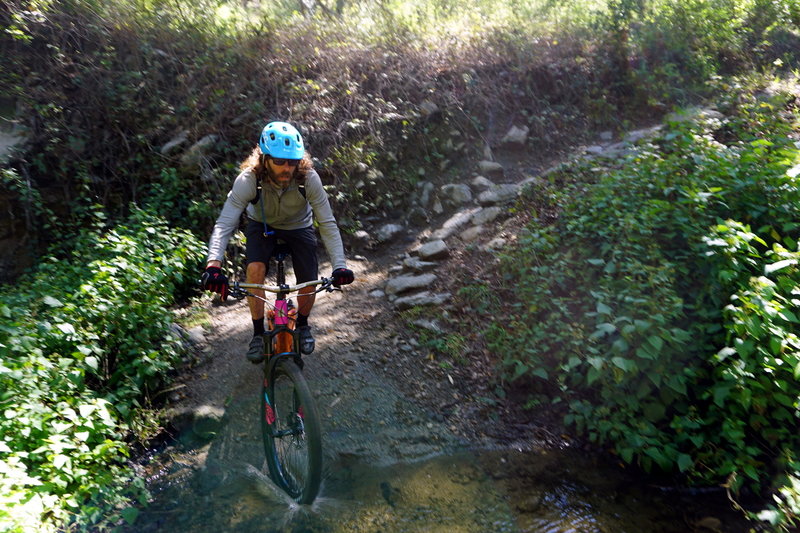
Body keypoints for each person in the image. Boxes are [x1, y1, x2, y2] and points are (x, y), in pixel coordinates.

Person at [201, 121, 354, 363]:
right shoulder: (249, 180)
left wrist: (340, 266)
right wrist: (213, 264)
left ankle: (303, 325)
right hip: (262, 226)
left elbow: (327, 223)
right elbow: (225, 222)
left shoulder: (308, 179)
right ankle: (258, 334)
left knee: (309, 276)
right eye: (279, 162)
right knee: (255, 270)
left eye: (292, 162)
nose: (287, 168)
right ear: (264, 159)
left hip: (299, 226)